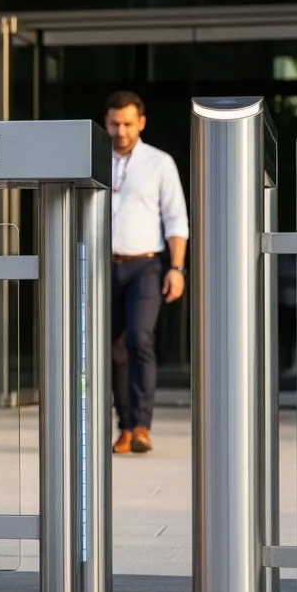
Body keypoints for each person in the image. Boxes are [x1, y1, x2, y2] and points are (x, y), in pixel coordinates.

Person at [105, 90, 189, 456]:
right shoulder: (93, 160)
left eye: (127, 123)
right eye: (114, 123)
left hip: (147, 265)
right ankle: (124, 427)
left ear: (141, 122)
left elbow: (176, 218)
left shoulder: (159, 163)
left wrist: (177, 267)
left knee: (140, 339)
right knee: (113, 349)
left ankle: (142, 426)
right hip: (103, 266)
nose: (120, 131)